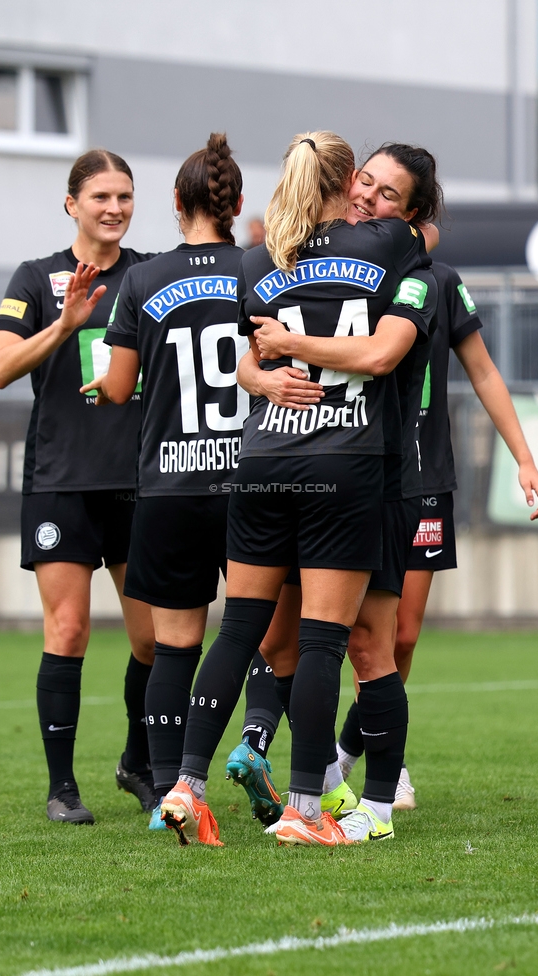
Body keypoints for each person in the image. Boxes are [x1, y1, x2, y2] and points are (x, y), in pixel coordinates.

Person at [160, 130, 436, 847]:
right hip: (346, 464)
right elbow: (379, 351)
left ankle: (186, 785)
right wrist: (280, 359)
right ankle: (307, 809)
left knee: (239, 630)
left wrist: (272, 365)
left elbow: (248, 362)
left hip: (261, 462)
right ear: (346, 186)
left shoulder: (259, 260)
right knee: (323, 642)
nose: (372, 198)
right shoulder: (392, 245)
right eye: (365, 184)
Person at [81, 134, 285, 838]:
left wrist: (108, 382)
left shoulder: (142, 280)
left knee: (174, 646)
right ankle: (253, 745)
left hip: (168, 485)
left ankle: (171, 794)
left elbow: (118, 387)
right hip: (248, 480)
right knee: (263, 638)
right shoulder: (260, 269)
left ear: (175, 201)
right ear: (236, 202)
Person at [336, 261, 538, 809]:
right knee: (358, 636)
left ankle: (353, 753)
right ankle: (371, 764)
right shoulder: (349, 269)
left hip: (424, 479)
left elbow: (484, 372)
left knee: (402, 637)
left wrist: (524, 459)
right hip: (359, 472)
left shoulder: (442, 281)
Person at [0, 150, 156, 825]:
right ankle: (62, 789)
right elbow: (0, 367)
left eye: (124, 196)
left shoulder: (148, 274)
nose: (114, 208)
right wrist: (63, 323)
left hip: (140, 482)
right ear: (72, 205)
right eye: (100, 197)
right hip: (61, 482)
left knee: (152, 641)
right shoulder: (35, 278)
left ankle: (137, 763)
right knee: (69, 629)